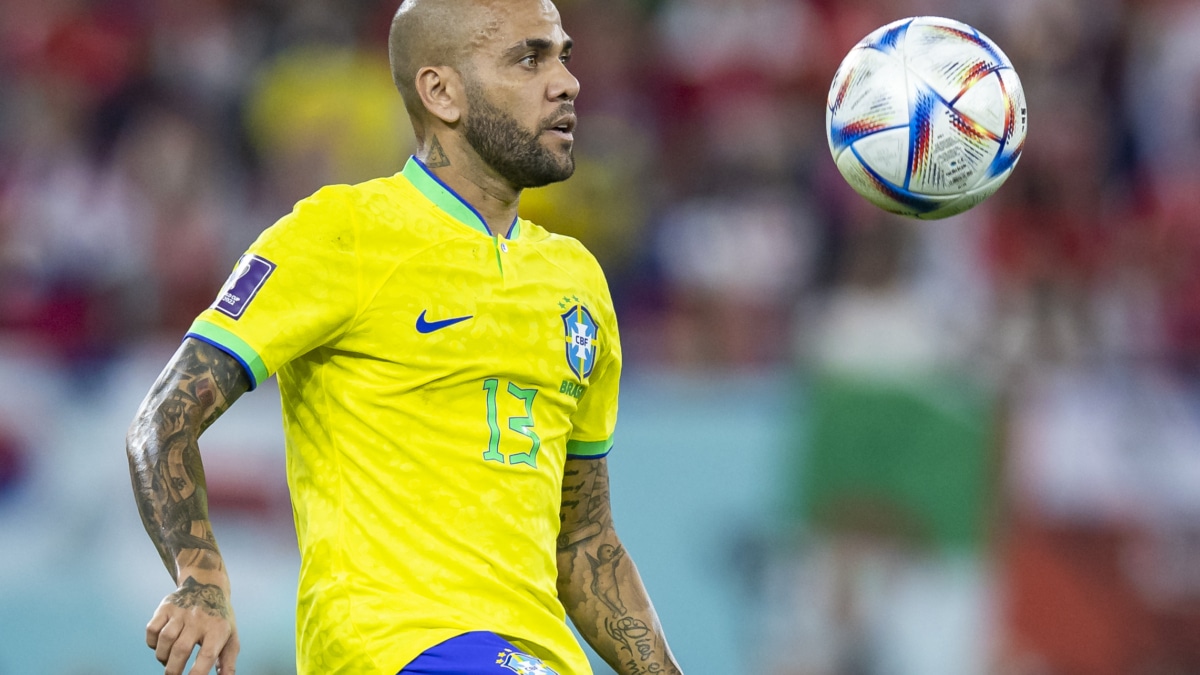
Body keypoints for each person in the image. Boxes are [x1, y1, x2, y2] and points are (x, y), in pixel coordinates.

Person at [124, 0, 685, 674]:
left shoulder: (578, 281)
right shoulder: (341, 232)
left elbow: (585, 541)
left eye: (563, 55)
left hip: (536, 655)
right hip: (392, 646)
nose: (565, 81)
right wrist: (201, 578)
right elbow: (164, 418)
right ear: (440, 91)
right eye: (529, 58)